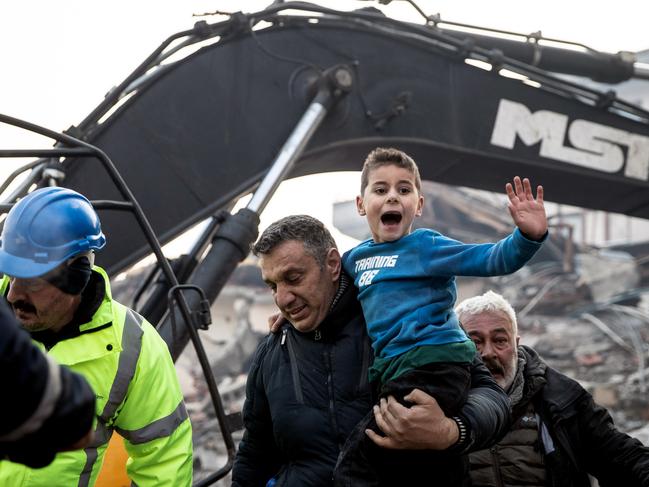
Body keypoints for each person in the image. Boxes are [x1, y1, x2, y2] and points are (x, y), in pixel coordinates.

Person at [232, 215, 511, 487]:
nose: (282, 298)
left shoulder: (405, 320)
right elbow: (254, 453)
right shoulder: (272, 352)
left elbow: (493, 398)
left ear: (331, 264)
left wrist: (452, 431)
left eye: (293, 278)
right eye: (272, 286)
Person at [335, 147, 547, 485]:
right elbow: (332, 299)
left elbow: (491, 258)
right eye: (380, 189)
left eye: (404, 190)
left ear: (418, 206)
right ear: (361, 205)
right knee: (423, 465)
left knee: (355, 467)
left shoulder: (425, 247)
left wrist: (527, 237)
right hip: (395, 371)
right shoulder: (355, 259)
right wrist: (286, 317)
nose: (392, 197)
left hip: (435, 364)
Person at [0, 187, 193, 486]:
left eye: (30, 282)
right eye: (10, 275)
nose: (13, 294)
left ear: (77, 275)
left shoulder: (133, 344)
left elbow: (164, 457)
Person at [373, 290, 649, 486]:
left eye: (500, 340)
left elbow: (624, 458)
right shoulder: (430, 407)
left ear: (516, 345)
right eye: (474, 341)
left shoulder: (562, 399)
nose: (488, 353)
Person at [0, 298, 96, 468]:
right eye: (12, 276)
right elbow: (77, 420)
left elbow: (156, 448)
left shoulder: (131, 337)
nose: (11, 294)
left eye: (34, 282)